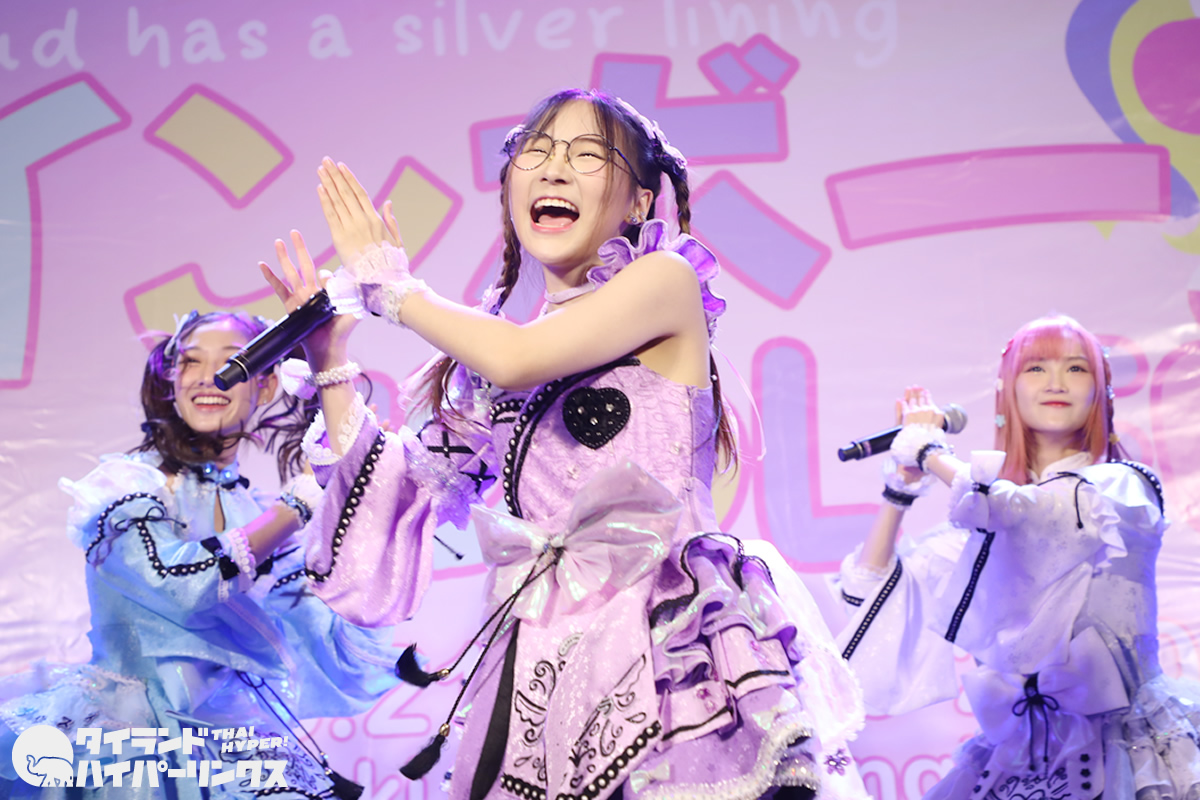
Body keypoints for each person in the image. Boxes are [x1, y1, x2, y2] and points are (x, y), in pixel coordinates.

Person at [261, 89, 867, 800]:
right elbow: (400, 490)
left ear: (639, 203)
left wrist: (392, 289)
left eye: (586, 155)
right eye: (537, 153)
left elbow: (517, 357)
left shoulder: (663, 281)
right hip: (544, 653)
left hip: (661, 637)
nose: (553, 169)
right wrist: (331, 359)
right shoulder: (500, 362)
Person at [0, 310, 400, 800]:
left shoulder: (252, 510)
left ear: (265, 386)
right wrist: (295, 506)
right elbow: (178, 584)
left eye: (231, 362)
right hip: (132, 745)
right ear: (171, 381)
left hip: (233, 747)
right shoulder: (125, 486)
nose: (209, 377)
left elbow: (328, 634)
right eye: (191, 362)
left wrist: (361, 502)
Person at [836, 315, 1200, 800]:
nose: (1055, 382)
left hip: (1128, 751)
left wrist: (930, 452)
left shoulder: (1120, 487)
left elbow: (1031, 518)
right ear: (1007, 392)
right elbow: (871, 594)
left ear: (1101, 392)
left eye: (1076, 368)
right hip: (1019, 761)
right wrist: (899, 488)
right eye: (1036, 368)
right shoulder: (985, 528)